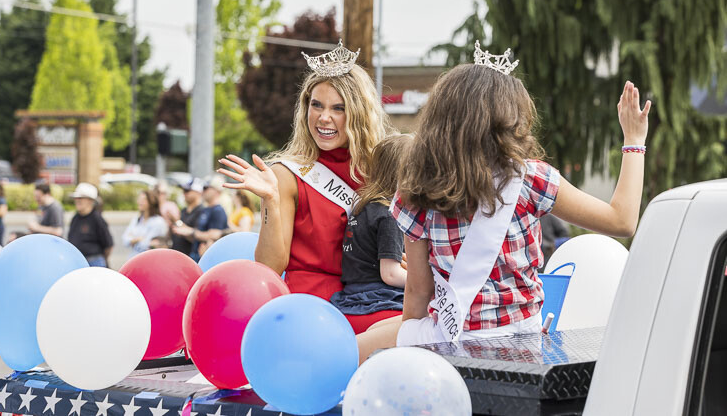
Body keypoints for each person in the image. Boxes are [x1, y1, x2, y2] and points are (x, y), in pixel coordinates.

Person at [357, 42, 650, 361]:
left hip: (450, 340)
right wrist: (633, 141)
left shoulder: (416, 189)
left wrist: (414, 358)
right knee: (378, 332)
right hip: (522, 345)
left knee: (362, 345)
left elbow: (417, 294)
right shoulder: (531, 179)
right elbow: (622, 221)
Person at [217, 41, 390, 313]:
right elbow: (270, 268)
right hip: (311, 308)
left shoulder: (380, 171)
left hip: (372, 297)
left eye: (338, 108)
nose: (323, 117)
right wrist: (271, 201)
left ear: (358, 114)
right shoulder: (287, 175)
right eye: (316, 105)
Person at [330, 134, 412, 333]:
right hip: (378, 300)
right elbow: (390, 274)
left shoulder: (363, 208)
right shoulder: (390, 214)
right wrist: (426, 282)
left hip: (351, 298)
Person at [175, 178, 228, 260]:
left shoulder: (218, 211)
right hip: (195, 254)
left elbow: (214, 235)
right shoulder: (206, 209)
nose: (203, 191)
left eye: (206, 188)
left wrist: (191, 232)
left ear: (217, 191)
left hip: (204, 257)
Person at [67, 183, 114, 268]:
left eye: (81, 198)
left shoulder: (97, 219)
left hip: (94, 262)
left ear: (90, 201)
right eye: (76, 198)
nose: (77, 200)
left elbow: (108, 244)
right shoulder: (75, 218)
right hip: (77, 261)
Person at [122, 190, 168, 256]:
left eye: (144, 199)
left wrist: (133, 239)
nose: (140, 202)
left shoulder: (158, 222)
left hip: (149, 260)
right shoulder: (136, 220)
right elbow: (125, 240)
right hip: (133, 259)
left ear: (151, 202)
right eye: (139, 199)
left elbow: (146, 245)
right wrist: (138, 239)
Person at [170, 178, 205, 257]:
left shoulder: (202, 212)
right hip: (177, 254)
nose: (184, 194)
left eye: (187, 191)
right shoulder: (184, 210)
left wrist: (177, 222)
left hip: (190, 257)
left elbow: (198, 237)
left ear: (198, 192)